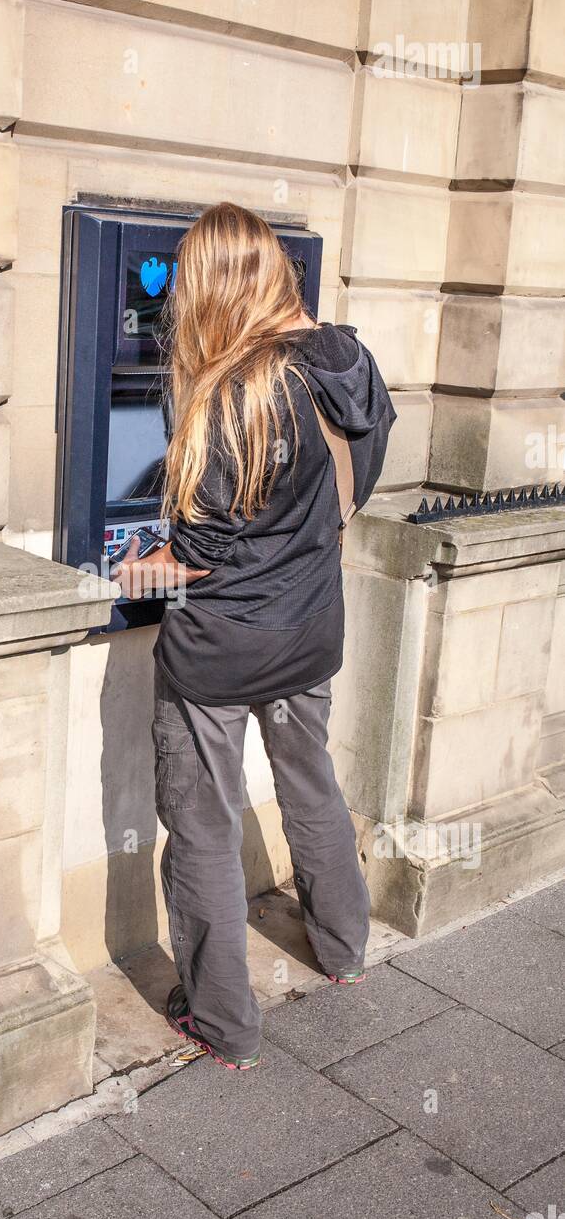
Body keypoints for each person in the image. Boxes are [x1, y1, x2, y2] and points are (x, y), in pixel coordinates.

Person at [111, 202, 396, 1071]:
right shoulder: (346, 358)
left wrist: (125, 570)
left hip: (223, 650)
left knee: (201, 824)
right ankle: (344, 947)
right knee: (311, 783)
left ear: (212, 289)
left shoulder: (233, 394)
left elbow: (191, 558)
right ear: (276, 270)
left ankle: (222, 1022)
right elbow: (354, 488)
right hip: (310, 628)